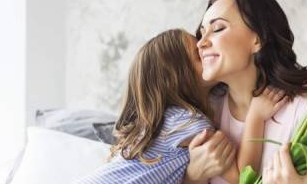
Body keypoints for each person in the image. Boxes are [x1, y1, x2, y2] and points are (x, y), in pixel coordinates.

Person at [74, 29, 286, 184]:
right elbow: (243, 177)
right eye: (197, 55)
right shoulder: (188, 123)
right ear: (178, 78)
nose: (205, 47)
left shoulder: (157, 126)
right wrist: (256, 117)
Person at [186, 0, 307, 184]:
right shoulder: (202, 110)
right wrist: (193, 176)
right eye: (201, 33)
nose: (201, 43)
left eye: (218, 28)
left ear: (258, 39)